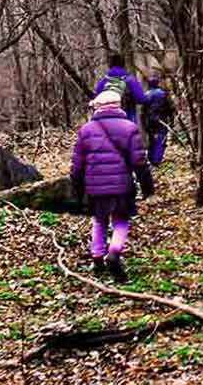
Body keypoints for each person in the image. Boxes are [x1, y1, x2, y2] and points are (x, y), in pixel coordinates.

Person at [71, 89, 153, 283]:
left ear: (97, 108)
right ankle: (114, 253)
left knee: (99, 220)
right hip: (121, 186)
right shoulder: (130, 127)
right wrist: (147, 187)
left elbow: (77, 165)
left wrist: (77, 188)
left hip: (94, 187)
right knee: (121, 221)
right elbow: (139, 162)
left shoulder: (86, 130)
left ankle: (97, 258)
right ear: (118, 106)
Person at [94, 53, 148, 123]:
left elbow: (96, 99)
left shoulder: (103, 82)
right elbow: (141, 99)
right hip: (127, 120)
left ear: (110, 65)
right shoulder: (130, 80)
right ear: (123, 65)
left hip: (106, 122)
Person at [142, 75, 175, 167]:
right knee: (161, 139)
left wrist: (144, 123)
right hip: (161, 120)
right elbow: (170, 108)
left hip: (149, 121)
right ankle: (157, 159)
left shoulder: (146, 95)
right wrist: (171, 121)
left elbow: (143, 111)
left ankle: (151, 158)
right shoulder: (163, 94)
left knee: (152, 139)